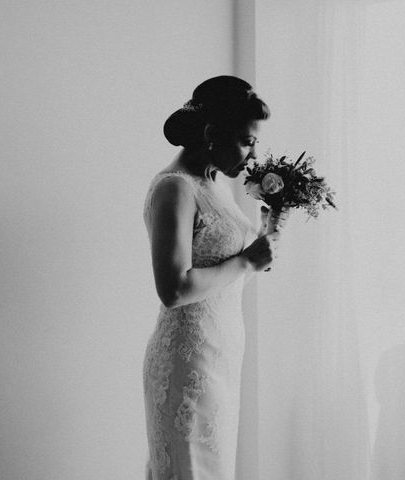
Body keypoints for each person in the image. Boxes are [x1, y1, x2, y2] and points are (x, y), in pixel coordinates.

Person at [142, 76, 278, 480]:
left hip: (221, 355)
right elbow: (175, 288)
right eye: (246, 140)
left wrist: (266, 235)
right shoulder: (175, 189)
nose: (253, 153)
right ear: (211, 133)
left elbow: (226, 276)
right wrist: (247, 263)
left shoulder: (214, 185)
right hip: (188, 361)